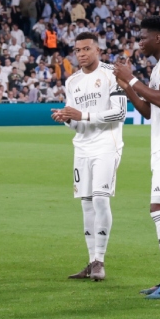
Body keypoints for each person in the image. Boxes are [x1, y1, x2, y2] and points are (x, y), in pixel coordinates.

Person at [113, 16, 160, 300]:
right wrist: (127, 87)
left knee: (159, 209)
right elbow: (148, 111)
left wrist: (132, 76)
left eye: (143, 37)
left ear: (158, 38)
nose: (139, 42)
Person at [56, 31, 125, 281]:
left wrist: (82, 116)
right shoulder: (72, 82)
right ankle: (91, 261)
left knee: (100, 199)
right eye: (77, 50)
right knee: (86, 203)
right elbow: (75, 121)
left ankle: (100, 260)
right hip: (82, 147)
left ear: (98, 50)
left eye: (86, 49)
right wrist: (66, 119)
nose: (82, 54)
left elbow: (119, 113)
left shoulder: (111, 75)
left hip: (107, 144)